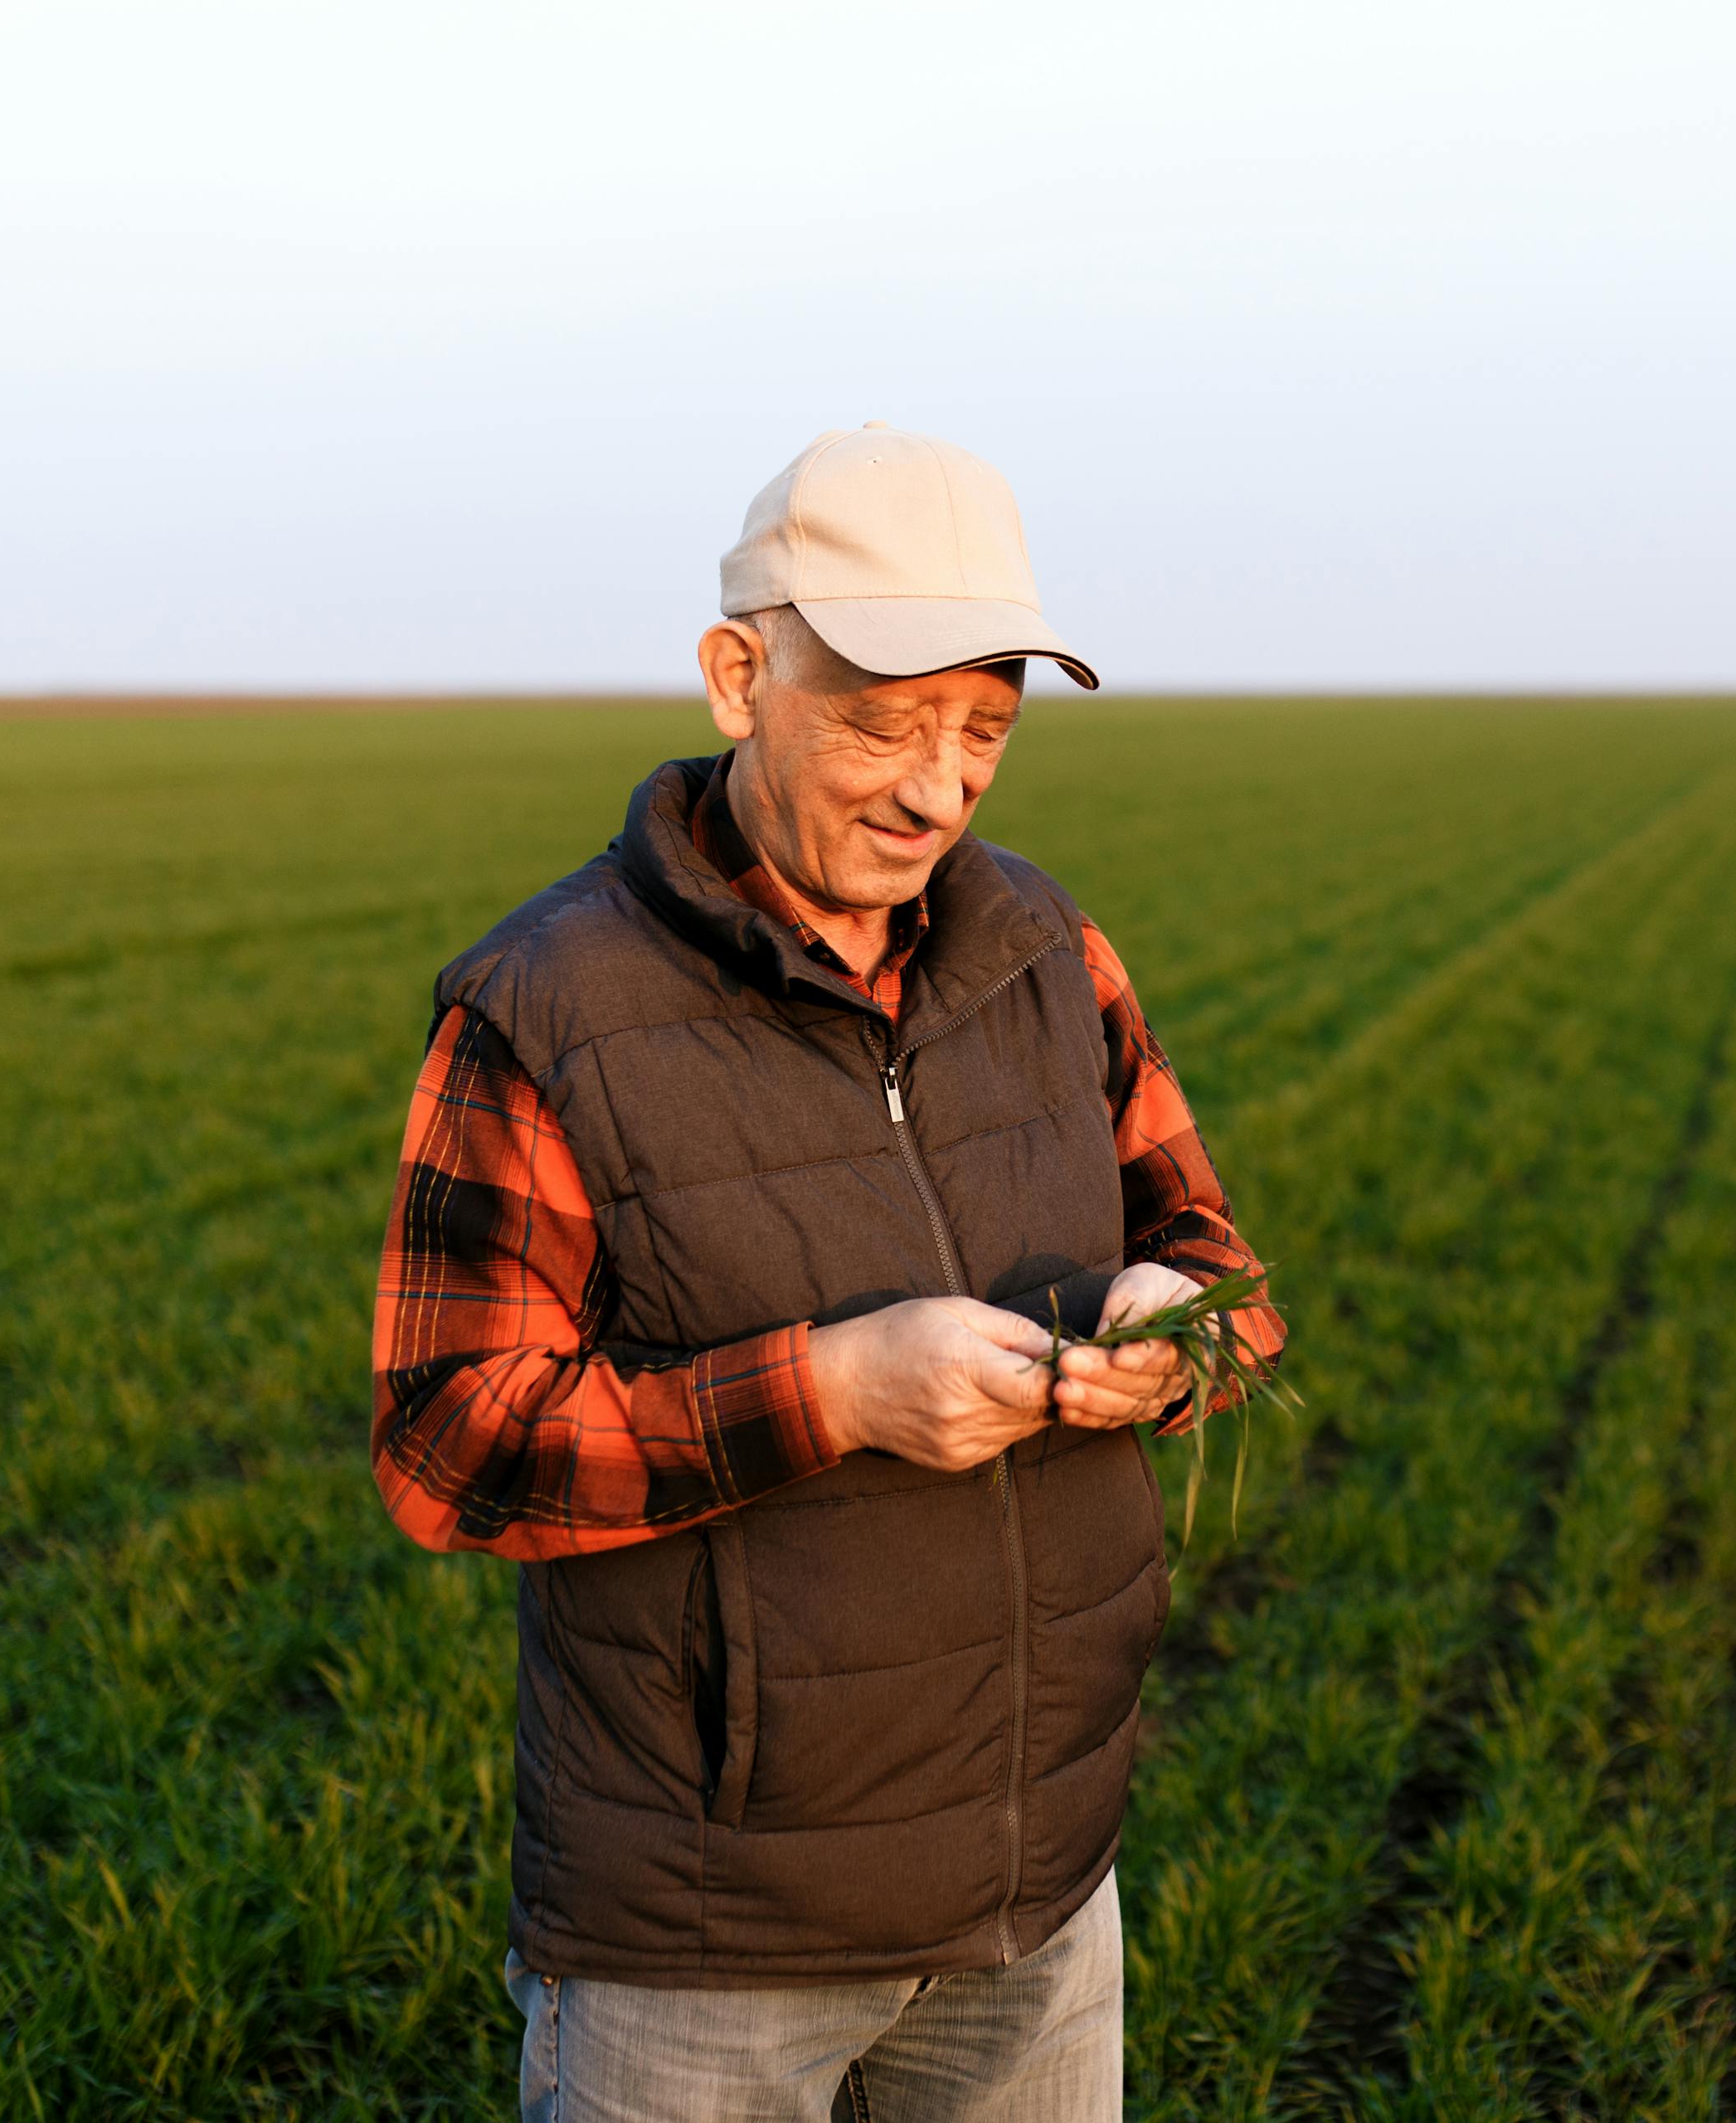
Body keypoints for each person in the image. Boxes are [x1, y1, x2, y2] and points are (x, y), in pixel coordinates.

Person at [369, 422, 1285, 2121]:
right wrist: (831, 1390)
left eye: (982, 728)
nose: (938, 785)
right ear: (737, 676)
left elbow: (1211, 1248)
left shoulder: (1048, 953)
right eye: (882, 721)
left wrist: (1178, 1333)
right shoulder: (543, 1009)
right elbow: (450, 1443)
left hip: (1041, 1892)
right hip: (703, 1945)